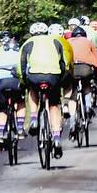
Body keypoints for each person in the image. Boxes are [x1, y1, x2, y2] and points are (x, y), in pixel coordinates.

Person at [18, 21, 73, 158]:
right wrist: (60, 78)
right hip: (53, 76)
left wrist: (24, 81)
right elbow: (64, 63)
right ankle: (56, 138)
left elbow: (21, 66)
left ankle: (34, 119)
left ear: (31, 33)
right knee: (54, 105)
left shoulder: (27, 43)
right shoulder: (56, 41)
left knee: (32, 90)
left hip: (35, 77)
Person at [64, 20, 97, 112]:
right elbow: (95, 58)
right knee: (86, 85)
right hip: (85, 68)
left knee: (72, 87)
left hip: (72, 69)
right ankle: (88, 106)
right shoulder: (89, 42)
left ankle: (69, 112)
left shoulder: (68, 42)